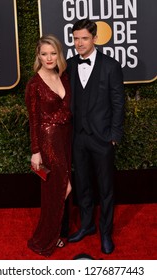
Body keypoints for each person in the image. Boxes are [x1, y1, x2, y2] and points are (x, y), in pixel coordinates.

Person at [67, 19, 125, 254]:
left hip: (102, 138)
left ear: (95, 39)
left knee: (105, 188)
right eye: (76, 38)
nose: (79, 43)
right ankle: (87, 225)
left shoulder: (110, 65)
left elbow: (118, 103)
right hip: (77, 137)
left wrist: (114, 134)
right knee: (82, 185)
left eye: (84, 38)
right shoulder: (69, 64)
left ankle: (106, 233)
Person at [25, 34, 72, 256]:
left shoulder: (63, 77)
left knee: (62, 187)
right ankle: (46, 237)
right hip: (48, 142)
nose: (49, 57)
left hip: (65, 139)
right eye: (44, 54)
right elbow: (33, 120)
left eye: (53, 53)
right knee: (61, 188)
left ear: (58, 54)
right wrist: (35, 152)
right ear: (39, 56)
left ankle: (58, 234)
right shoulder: (34, 84)